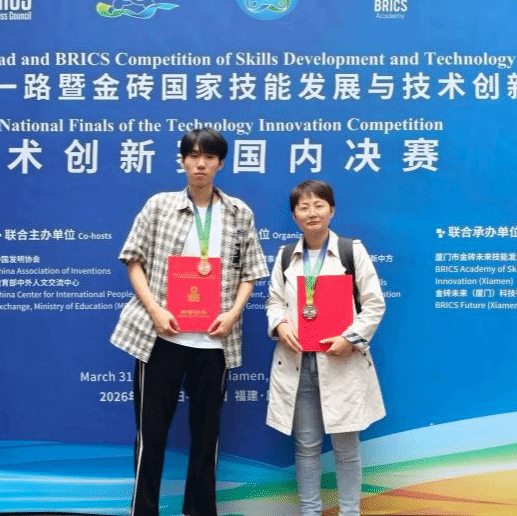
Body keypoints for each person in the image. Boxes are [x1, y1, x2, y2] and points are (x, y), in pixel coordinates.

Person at [111, 128, 269, 516]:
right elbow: (133, 260)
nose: (200, 164)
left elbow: (251, 272)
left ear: (221, 163)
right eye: (193, 156)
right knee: (151, 433)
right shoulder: (159, 205)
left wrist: (232, 314)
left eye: (209, 157)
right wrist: (155, 310)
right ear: (181, 161)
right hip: (161, 337)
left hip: (214, 342)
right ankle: (143, 511)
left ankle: (199, 510)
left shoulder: (239, 213)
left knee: (206, 435)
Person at [265, 179, 386, 516]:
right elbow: (273, 301)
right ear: (294, 215)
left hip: (341, 362)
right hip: (298, 363)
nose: (312, 213)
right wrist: (280, 324)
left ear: (331, 210)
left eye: (319, 205)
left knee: (346, 449)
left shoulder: (351, 251)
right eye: (303, 207)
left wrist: (351, 338)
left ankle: (349, 512)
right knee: (306, 447)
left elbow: (374, 304)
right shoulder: (286, 255)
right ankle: (310, 511)